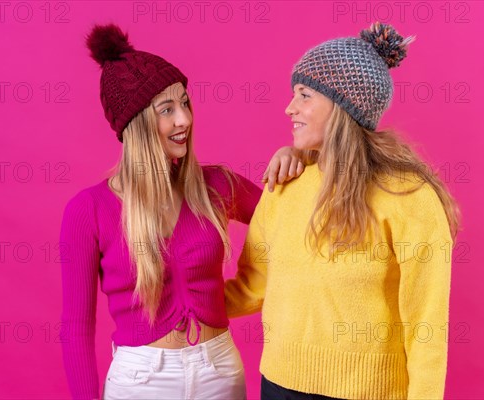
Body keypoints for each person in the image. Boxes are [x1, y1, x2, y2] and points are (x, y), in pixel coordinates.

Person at [59, 24, 303, 400]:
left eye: (185, 103)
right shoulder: (88, 210)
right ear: (136, 125)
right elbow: (76, 328)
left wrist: (298, 155)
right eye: (167, 109)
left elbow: (292, 217)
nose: (184, 120)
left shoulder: (217, 185)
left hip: (218, 371)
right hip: (140, 381)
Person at [225, 22, 461, 400]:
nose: (289, 108)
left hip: (367, 392)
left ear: (342, 105)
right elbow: (254, 285)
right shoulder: (284, 183)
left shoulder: (409, 197)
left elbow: (426, 323)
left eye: (304, 94)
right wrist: (180, 304)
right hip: (279, 384)